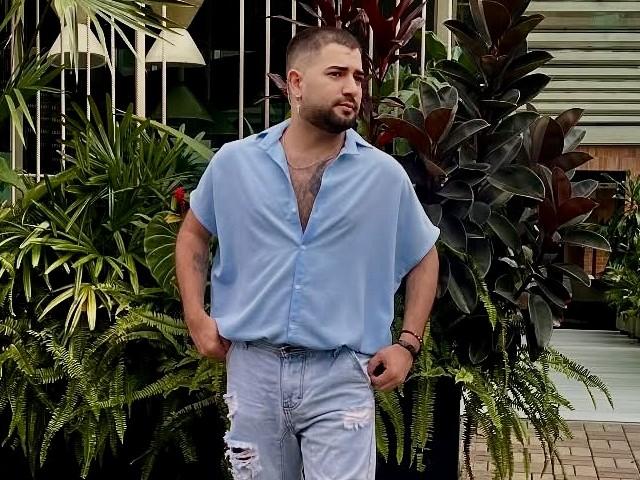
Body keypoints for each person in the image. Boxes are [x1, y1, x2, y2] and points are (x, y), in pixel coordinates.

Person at [175, 26, 440, 480]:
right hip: (254, 369)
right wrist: (196, 317)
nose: (352, 87)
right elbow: (194, 234)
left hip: (341, 374)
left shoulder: (383, 176)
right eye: (337, 73)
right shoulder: (235, 163)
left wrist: (407, 345)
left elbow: (424, 256)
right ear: (296, 83)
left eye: (358, 77)